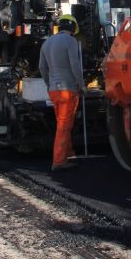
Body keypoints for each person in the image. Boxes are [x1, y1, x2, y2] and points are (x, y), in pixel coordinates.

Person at [39, 14, 85, 171]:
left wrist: (48, 83)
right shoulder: (70, 41)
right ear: (73, 28)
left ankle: (69, 154)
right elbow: (75, 65)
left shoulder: (47, 43)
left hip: (54, 90)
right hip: (67, 90)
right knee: (64, 126)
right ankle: (58, 161)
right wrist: (82, 84)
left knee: (64, 123)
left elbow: (42, 68)